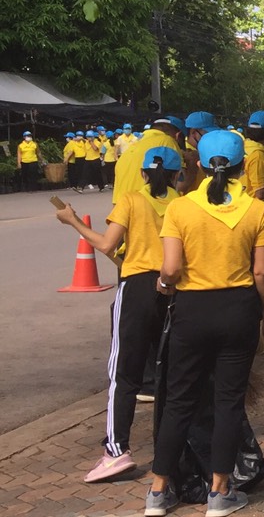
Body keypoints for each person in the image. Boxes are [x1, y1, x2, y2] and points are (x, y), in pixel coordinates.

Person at [151, 130, 264, 517]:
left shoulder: (181, 208)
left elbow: (171, 270)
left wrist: (162, 285)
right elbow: (262, 273)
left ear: (199, 165)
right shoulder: (256, 210)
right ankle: (220, 491)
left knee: (178, 401)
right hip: (238, 310)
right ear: (243, 165)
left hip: (191, 311)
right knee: (228, 402)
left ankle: (158, 491)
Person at [56, 145, 181, 482]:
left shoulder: (130, 200)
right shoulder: (181, 204)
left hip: (137, 287)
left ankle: (116, 450)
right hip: (173, 290)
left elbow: (107, 244)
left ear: (142, 173)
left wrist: (72, 222)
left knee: (124, 373)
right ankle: (172, 448)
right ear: (175, 175)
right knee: (170, 373)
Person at [114, 117, 185, 202]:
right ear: (178, 135)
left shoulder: (131, 148)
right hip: (150, 206)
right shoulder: (167, 142)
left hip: (123, 207)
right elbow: (181, 181)